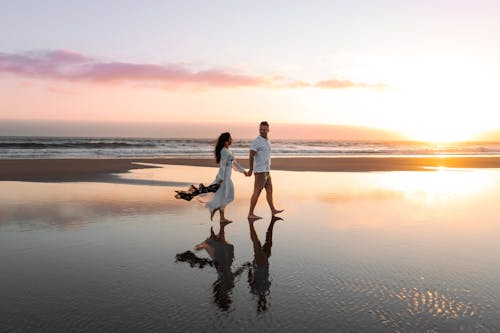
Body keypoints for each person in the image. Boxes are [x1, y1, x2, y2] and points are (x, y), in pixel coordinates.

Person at [246, 121, 284, 219]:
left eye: (264, 129)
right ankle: (250, 213)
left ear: (268, 130)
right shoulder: (257, 141)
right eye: (261, 129)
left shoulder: (267, 140)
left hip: (267, 171)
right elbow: (251, 156)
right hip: (260, 172)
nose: (262, 131)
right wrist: (250, 169)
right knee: (257, 192)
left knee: (270, 191)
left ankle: (273, 210)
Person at [207, 132, 247, 223]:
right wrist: (221, 179)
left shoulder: (227, 150)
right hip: (224, 178)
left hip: (227, 177)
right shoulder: (224, 151)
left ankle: (221, 216)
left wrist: (243, 171)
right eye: (230, 138)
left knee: (224, 196)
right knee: (227, 196)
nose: (231, 139)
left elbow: (234, 163)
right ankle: (215, 210)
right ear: (226, 141)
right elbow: (222, 166)